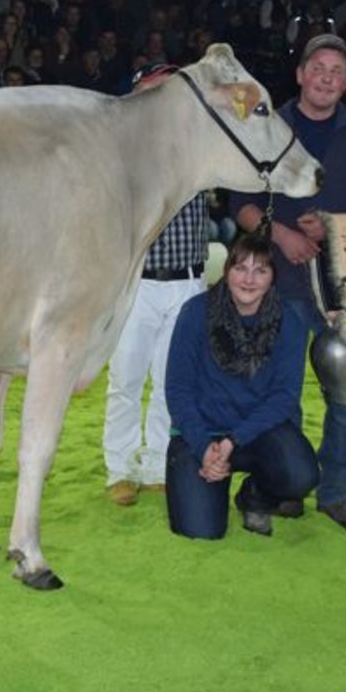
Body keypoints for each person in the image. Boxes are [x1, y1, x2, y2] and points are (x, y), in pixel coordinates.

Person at [230, 33, 346, 536]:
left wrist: (335, 225)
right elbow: (238, 200)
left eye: (337, 72)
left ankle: (338, 494)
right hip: (279, 283)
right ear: (301, 74)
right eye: (318, 68)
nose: (327, 78)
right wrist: (279, 233)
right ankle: (284, 483)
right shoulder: (268, 125)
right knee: (277, 391)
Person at [101, 62, 209, 505]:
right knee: (125, 377)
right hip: (137, 282)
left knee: (171, 381)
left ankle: (156, 463)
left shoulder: (202, 148)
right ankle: (120, 468)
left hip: (188, 281)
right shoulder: (120, 155)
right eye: (150, 91)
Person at [164, 233, 318, 539]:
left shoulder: (289, 320)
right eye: (240, 268)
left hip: (256, 432)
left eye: (260, 270)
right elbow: (178, 391)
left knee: (301, 476)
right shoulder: (196, 312)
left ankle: (254, 496)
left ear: (273, 277)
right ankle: (213, 477)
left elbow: (284, 398)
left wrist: (233, 441)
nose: (249, 279)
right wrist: (204, 448)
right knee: (201, 530)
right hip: (201, 433)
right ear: (226, 270)